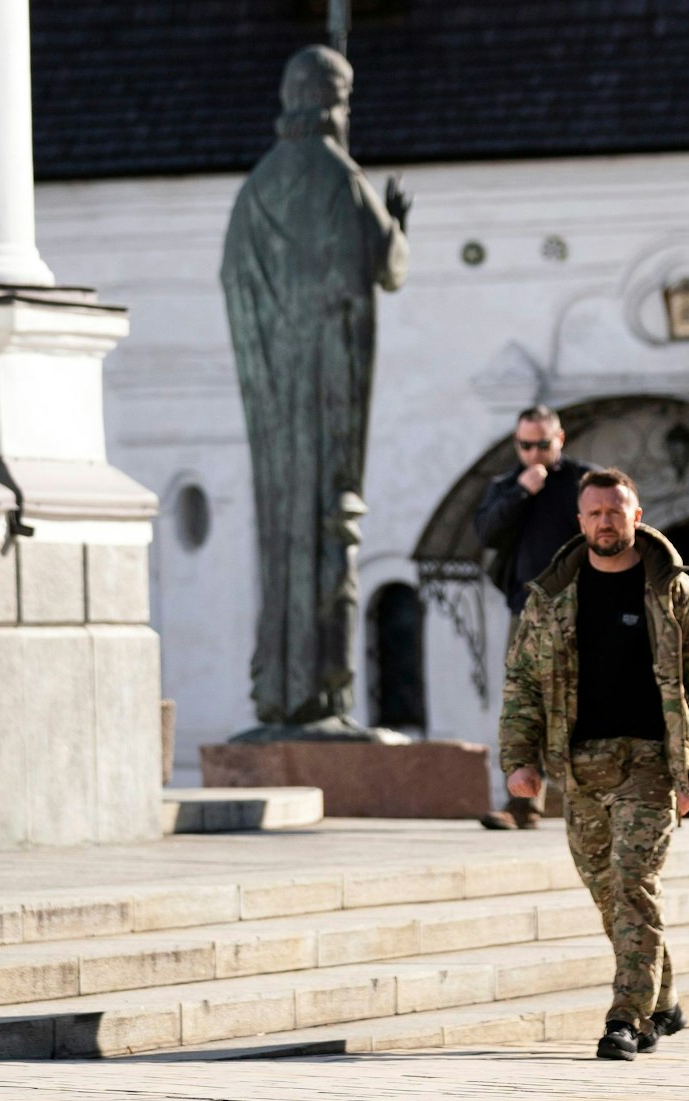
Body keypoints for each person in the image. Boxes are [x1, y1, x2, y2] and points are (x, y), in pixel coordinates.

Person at [498, 467, 689, 1061]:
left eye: (615, 511)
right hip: (578, 768)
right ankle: (665, 1000)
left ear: (637, 516)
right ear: (581, 522)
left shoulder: (674, 592)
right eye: (595, 512)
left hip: (651, 764)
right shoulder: (550, 598)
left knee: (632, 884)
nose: (606, 521)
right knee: (610, 895)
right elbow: (522, 683)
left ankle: (627, 1017)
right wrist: (519, 761)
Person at [220, 44, 409, 738]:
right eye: (344, 99)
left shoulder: (256, 188)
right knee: (335, 523)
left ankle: (281, 688)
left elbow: (235, 280)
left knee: (286, 535)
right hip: (329, 394)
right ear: (330, 102)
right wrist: (397, 222)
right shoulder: (338, 174)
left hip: (276, 400)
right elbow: (389, 265)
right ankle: (323, 696)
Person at [474, 405, 596, 828]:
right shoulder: (506, 485)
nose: (534, 453)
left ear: (559, 439)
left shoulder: (584, 481)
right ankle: (523, 804)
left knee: (586, 700)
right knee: (523, 704)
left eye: (542, 444)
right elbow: (486, 533)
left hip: (583, 609)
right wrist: (521, 493)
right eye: (526, 445)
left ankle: (595, 799)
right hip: (525, 611)